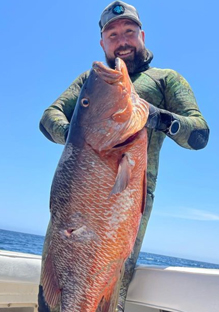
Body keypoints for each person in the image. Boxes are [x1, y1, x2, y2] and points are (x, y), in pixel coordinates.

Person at [38, 1, 209, 311]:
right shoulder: (92, 81)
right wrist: (79, 137)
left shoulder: (165, 79)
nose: (122, 41)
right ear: (102, 42)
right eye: (112, 35)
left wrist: (158, 118)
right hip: (72, 210)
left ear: (142, 35)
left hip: (121, 213)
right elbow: (48, 117)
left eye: (129, 32)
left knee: (107, 295)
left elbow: (199, 134)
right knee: (53, 296)